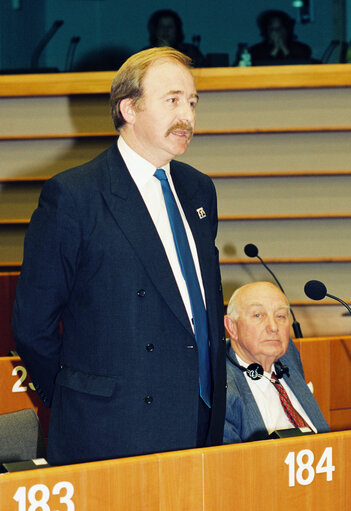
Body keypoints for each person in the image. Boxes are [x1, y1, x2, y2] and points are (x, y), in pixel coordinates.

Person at [12, 47, 226, 466]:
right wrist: (76, 395)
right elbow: (32, 323)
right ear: (129, 108)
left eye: (193, 102)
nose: (189, 117)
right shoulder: (75, 195)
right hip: (113, 428)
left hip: (201, 417)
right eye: (173, 100)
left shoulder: (199, 190)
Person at [223, 282, 329, 444]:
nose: (273, 327)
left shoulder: (287, 357)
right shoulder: (221, 388)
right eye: (258, 315)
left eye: (280, 316)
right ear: (232, 327)